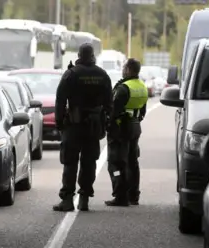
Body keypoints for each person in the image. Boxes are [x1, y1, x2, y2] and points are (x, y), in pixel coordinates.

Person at [52, 43, 112, 212]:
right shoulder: (102, 75)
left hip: (73, 125)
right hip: (94, 126)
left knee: (70, 162)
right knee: (89, 162)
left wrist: (59, 122)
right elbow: (109, 102)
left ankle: (68, 200)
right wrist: (106, 122)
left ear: (79, 55)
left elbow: (60, 100)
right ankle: (84, 198)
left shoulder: (71, 74)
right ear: (92, 56)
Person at [105, 58, 148, 206]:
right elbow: (142, 111)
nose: (123, 70)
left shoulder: (123, 88)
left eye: (124, 68)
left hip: (121, 129)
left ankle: (120, 195)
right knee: (132, 162)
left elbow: (113, 110)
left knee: (115, 164)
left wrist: (109, 127)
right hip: (135, 127)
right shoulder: (142, 86)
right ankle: (133, 195)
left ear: (129, 69)